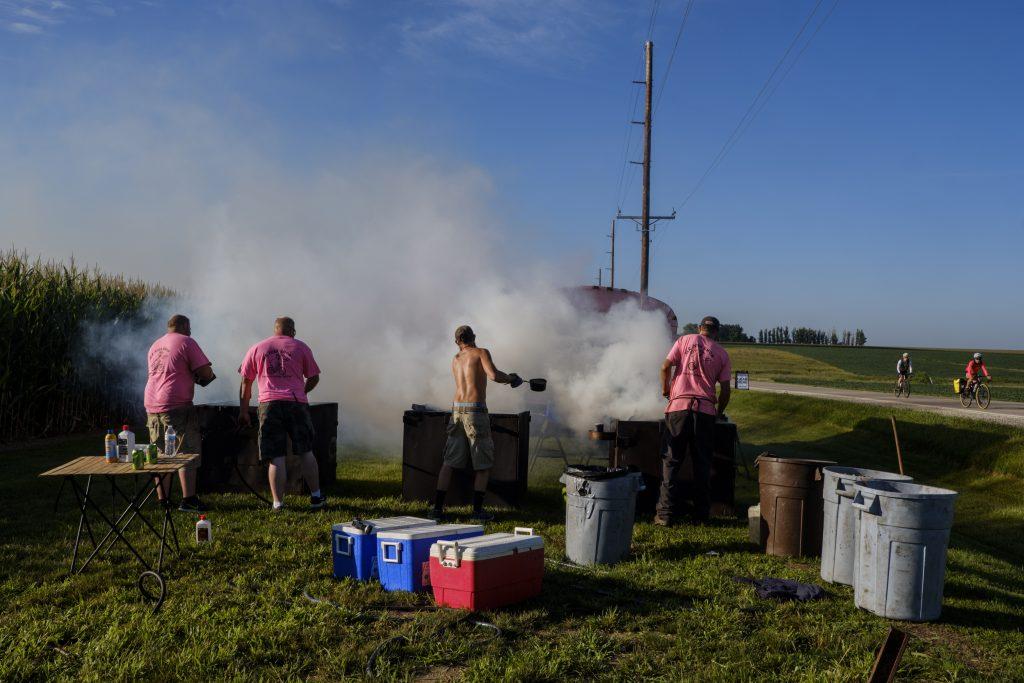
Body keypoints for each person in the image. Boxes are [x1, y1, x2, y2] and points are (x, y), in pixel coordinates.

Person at [430, 325, 520, 522]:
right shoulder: (481, 352)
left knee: (449, 462)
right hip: (475, 413)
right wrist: (511, 378)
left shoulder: (455, 359)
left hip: (457, 411)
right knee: (483, 464)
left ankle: (437, 510)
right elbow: (494, 375)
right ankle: (477, 512)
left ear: (457, 342)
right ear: (474, 337)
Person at [238, 317, 326, 512]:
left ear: (275, 330)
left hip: (269, 404)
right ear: (292, 331)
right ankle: (316, 497)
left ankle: (278, 503)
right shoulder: (301, 347)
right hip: (296, 403)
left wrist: (244, 411)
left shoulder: (258, 348)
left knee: (276, 455)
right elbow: (314, 377)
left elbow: (246, 382)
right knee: (305, 451)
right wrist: (302, 391)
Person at [655, 315, 732, 526]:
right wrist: (718, 411)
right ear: (716, 332)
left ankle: (665, 515)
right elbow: (725, 390)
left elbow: (664, 367)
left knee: (671, 461)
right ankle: (700, 515)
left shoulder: (683, 341)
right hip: (705, 412)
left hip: (679, 408)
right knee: (702, 464)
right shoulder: (722, 354)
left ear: (700, 328)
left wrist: (666, 390)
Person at [144, 314, 216, 512]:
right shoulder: (187, 342)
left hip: (152, 403)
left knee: (160, 451)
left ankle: (163, 500)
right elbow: (205, 372)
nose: (191, 331)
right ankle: (189, 500)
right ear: (184, 326)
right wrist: (205, 375)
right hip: (176, 404)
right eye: (190, 327)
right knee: (186, 450)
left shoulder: (155, 345)